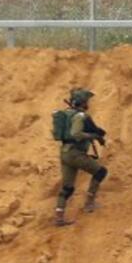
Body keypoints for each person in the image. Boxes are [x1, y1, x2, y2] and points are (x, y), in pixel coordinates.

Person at [53, 88, 107, 226]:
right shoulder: (79, 116)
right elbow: (76, 134)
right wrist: (93, 136)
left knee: (67, 187)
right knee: (100, 172)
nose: (88, 104)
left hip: (65, 153)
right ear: (82, 102)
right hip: (75, 153)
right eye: (86, 101)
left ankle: (59, 217)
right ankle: (89, 203)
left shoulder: (67, 114)